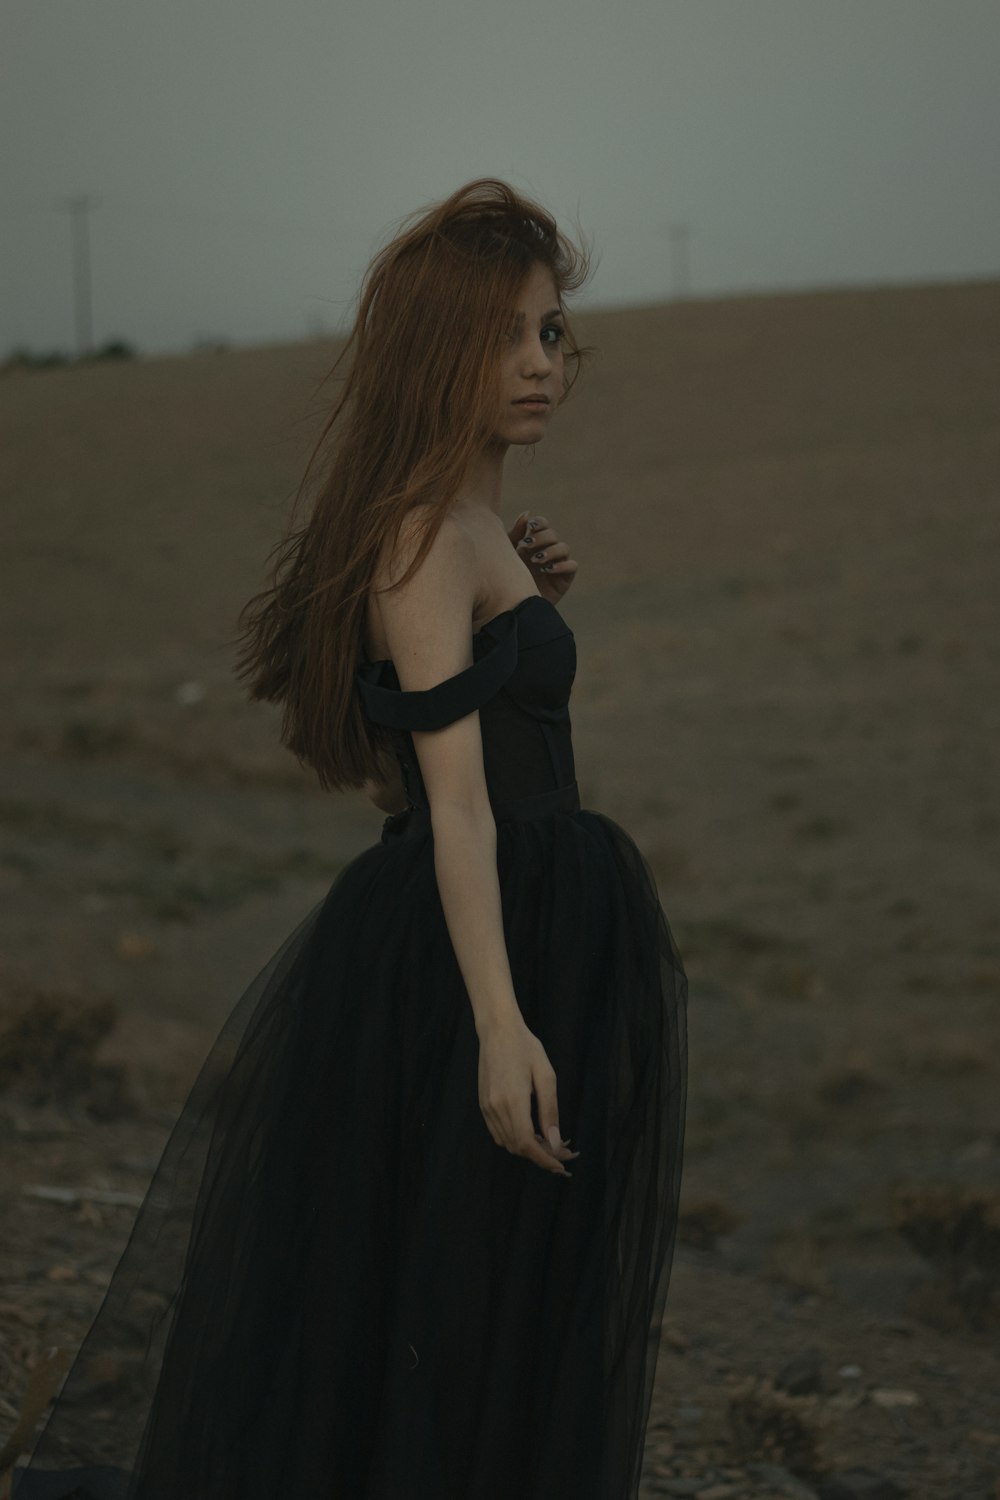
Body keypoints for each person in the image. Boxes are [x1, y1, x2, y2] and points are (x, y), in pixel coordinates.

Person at [9, 177, 688, 1500]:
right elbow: (445, 801)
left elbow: (487, 736)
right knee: (431, 1302)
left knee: (496, 1290)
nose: (540, 365)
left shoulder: (476, 529)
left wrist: (528, 601)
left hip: (529, 911)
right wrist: (499, 1022)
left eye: (551, 332)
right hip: (466, 948)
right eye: (504, 337)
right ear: (440, 355)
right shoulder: (421, 540)